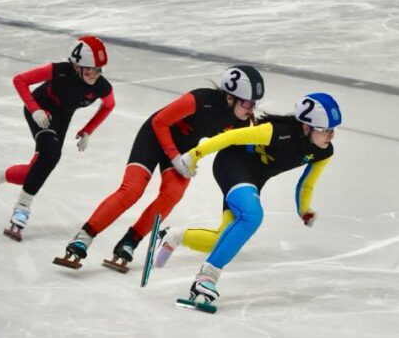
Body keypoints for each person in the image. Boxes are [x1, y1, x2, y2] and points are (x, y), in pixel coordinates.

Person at [57, 65, 264, 269]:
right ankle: (84, 236)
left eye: (254, 103)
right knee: (133, 189)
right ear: (230, 97)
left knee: (173, 193)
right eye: (247, 103)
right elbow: (160, 122)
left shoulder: (241, 122)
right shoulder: (200, 100)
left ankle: (130, 241)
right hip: (154, 137)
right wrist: (175, 158)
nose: (251, 109)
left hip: (183, 147)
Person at [156, 92, 342, 308]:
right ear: (307, 126)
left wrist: (304, 209)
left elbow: (307, 183)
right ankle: (206, 278)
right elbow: (230, 138)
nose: (330, 135)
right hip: (232, 165)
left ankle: (174, 236)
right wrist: (194, 155)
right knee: (252, 216)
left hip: (253, 181)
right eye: (325, 130)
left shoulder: (324, 152)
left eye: (332, 130)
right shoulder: (278, 132)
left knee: (223, 240)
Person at [0, 35, 115, 240]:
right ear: (76, 65)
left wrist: (88, 130)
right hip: (40, 111)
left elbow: (109, 105)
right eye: (89, 68)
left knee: (39, 167)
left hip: (62, 120)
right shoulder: (59, 70)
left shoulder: (102, 86)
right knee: (51, 155)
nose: (94, 74)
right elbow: (20, 80)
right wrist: (34, 108)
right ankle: (22, 208)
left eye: (98, 69)